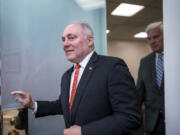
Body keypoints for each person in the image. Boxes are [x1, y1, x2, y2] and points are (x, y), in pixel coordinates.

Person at [11, 22, 141, 135]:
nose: (65, 44)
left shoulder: (112, 67)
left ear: (89, 41)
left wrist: (84, 131)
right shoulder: (67, 76)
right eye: (63, 40)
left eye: (71, 38)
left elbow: (130, 117)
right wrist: (32, 104)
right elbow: (64, 105)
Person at [136, 21, 165, 135]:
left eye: (156, 37)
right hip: (153, 123)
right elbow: (139, 93)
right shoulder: (145, 62)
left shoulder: (176, 56)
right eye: (149, 39)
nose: (152, 41)